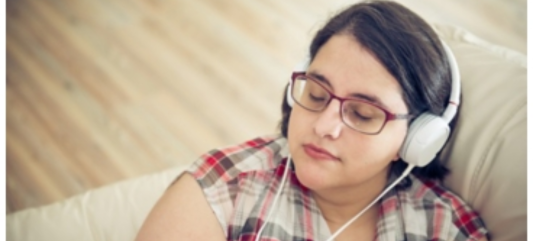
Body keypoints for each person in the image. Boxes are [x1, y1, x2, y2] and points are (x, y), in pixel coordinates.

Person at [135, 1, 489, 240]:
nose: (323, 126)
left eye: (362, 114)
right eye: (317, 94)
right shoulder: (223, 188)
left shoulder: (446, 228)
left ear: (418, 138)